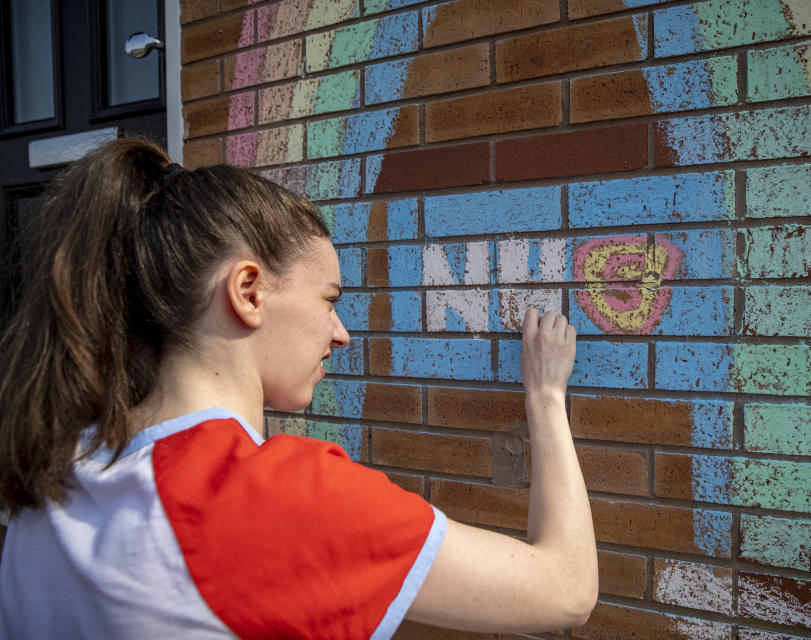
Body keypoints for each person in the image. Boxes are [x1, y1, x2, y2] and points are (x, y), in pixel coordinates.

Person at [0, 138, 597, 638]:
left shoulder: (51, 476)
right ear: (249, 291)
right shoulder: (278, 499)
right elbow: (567, 590)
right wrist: (546, 398)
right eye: (329, 300)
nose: (340, 334)